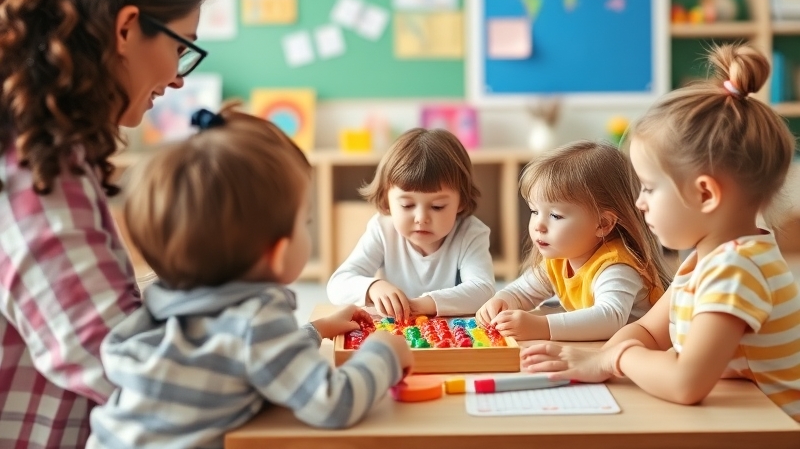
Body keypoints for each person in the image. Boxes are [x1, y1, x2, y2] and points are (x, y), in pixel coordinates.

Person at [0, 0, 210, 447]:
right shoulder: (35, 169)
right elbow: (128, 369)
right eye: (180, 47)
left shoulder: (50, 151)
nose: (177, 77)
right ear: (125, 29)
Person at [87, 106, 413, 448]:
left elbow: (242, 358)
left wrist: (316, 331)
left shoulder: (164, 304)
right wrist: (384, 351)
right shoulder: (256, 317)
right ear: (278, 253)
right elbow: (333, 403)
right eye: (306, 223)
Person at [521, 44, 800, 422]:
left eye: (649, 187)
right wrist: (600, 358)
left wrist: (615, 358)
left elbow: (686, 384)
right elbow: (648, 332)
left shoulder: (737, 269)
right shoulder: (706, 260)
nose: (639, 202)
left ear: (705, 193)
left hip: (772, 431)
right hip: (743, 418)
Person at [476, 141, 672, 341]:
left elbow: (610, 317)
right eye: (535, 211)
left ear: (603, 224)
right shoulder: (560, 258)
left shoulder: (616, 266)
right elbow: (521, 292)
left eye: (555, 216)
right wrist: (502, 300)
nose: (538, 225)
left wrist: (541, 327)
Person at [327, 128, 494, 319]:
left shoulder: (470, 233)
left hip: (452, 337)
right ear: (386, 200)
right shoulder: (383, 229)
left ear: (461, 202)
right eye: (407, 205)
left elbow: (483, 291)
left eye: (438, 206)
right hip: (397, 335)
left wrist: (424, 304)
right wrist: (373, 287)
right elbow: (337, 285)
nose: (421, 218)